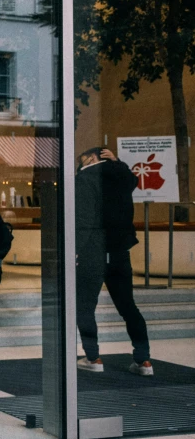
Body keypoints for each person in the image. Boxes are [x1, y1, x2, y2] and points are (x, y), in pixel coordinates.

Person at [75, 147, 153, 376]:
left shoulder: (84, 178)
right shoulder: (121, 177)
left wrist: (76, 249)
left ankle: (93, 358)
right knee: (128, 306)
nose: (79, 164)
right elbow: (131, 180)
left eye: (81, 159)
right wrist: (118, 162)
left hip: (93, 251)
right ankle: (144, 360)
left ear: (90, 158)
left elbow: (85, 218)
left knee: (85, 307)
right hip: (119, 251)